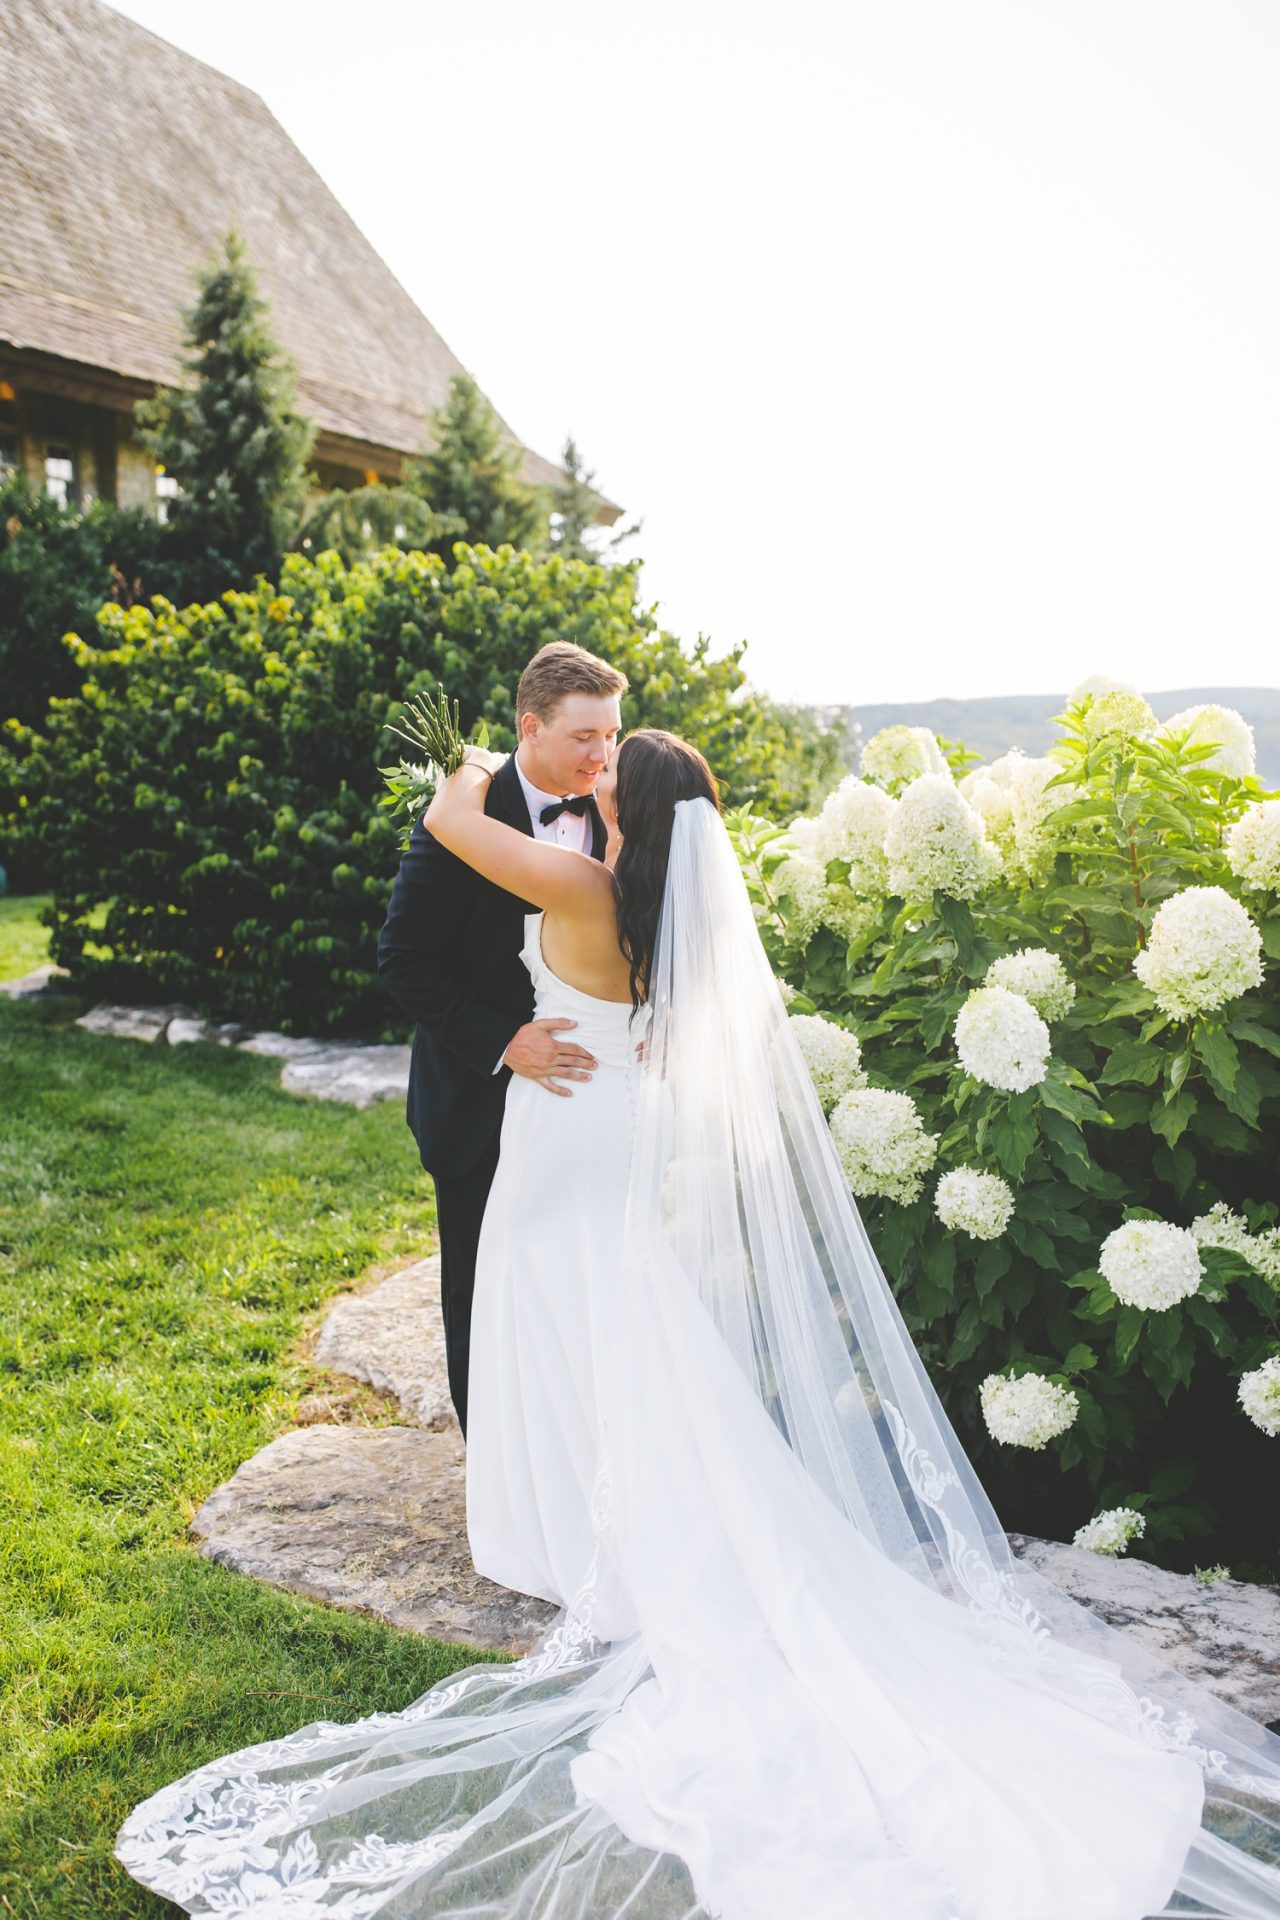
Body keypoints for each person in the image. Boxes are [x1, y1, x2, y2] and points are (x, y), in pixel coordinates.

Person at [116, 730, 1280, 1919]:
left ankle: (562, 1528)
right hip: (610, 1113)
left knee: (556, 1307)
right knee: (621, 1321)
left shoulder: (575, 882)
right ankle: (592, 1519)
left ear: (636, 800)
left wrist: (462, 762)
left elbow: (456, 830)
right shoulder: (665, 905)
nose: (596, 768)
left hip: (565, 1134)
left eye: (613, 763)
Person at [375, 641, 627, 1436]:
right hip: (481, 1097)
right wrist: (504, 1041)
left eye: (611, 734)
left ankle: (580, 1444)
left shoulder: (625, 812)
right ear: (531, 726)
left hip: (594, 1099)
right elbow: (403, 961)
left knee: (584, 1277)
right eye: (585, 736)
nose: (602, 753)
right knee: (481, 1288)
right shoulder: (465, 815)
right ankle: (495, 1462)